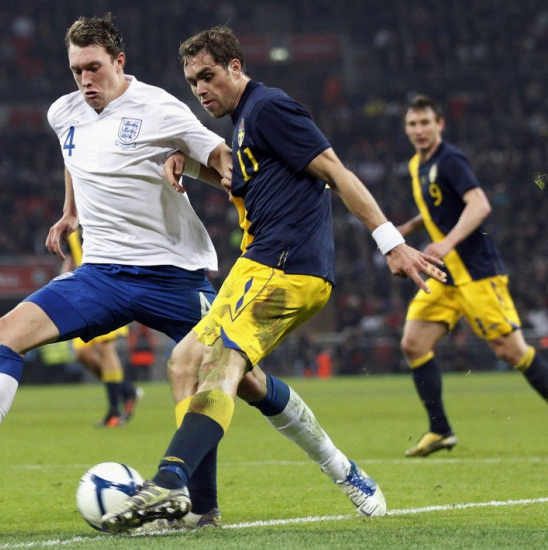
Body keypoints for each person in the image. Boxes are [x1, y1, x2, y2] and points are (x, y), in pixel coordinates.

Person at [0, 15, 396, 528]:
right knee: (7, 332)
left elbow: (225, 159)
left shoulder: (159, 107)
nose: (84, 80)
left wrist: (187, 154)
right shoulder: (63, 113)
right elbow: (75, 154)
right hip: (104, 274)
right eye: (75, 70)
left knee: (234, 380)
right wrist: (70, 212)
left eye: (93, 67)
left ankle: (300, 480)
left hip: (174, 275)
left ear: (118, 62)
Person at [101, 26, 447, 533]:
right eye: (193, 81)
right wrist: (186, 162)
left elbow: (336, 171)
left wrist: (389, 242)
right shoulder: (243, 126)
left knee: (220, 361)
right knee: (184, 364)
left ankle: (171, 483)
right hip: (255, 265)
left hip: (290, 267)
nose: (200, 89)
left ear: (236, 67)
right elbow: (236, 177)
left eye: (209, 76)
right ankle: (215, 505)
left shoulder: (270, 109)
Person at [396, 95, 548, 457]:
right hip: (445, 276)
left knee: (512, 351)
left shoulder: (450, 160)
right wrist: (409, 227)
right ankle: (440, 430)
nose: (419, 130)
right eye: (412, 124)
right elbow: (436, 209)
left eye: (425, 123)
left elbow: (479, 204)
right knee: (413, 343)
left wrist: (446, 242)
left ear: (440, 124)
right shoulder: (417, 164)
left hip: (477, 273)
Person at [62, 230, 138, 427]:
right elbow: (70, 261)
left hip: (108, 294)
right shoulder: (73, 233)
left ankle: (114, 412)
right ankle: (125, 389)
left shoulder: (105, 223)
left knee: (105, 349)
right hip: (84, 298)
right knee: (81, 353)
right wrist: (62, 286)